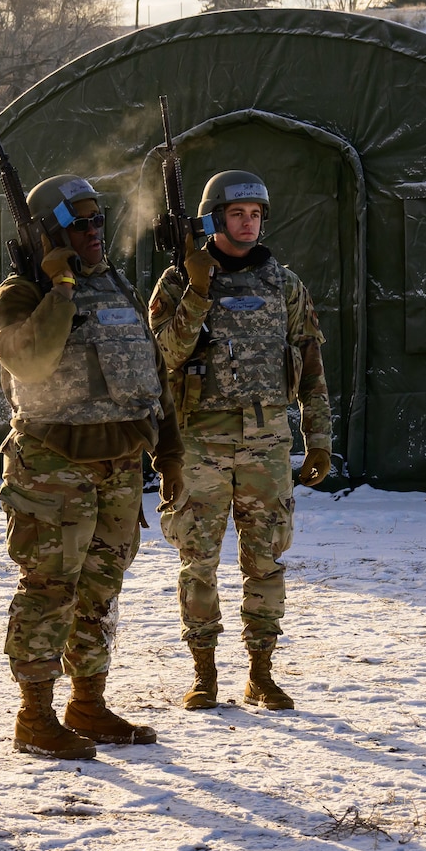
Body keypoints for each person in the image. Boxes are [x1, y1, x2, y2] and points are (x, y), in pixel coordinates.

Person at [0, 174, 184, 760]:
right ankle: (35, 715)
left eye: (99, 221)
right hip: (54, 466)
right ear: (49, 234)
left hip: (119, 466)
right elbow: (33, 358)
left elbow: (152, 374)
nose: (95, 232)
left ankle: (88, 703)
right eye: (80, 224)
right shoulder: (21, 295)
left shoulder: (118, 287)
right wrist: (61, 287)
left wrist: (167, 452)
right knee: (50, 590)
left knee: (101, 590)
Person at [148, 170, 332, 711]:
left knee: (266, 561)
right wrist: (199, 290)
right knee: (198, 561)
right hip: (199, 444)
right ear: (212, 220)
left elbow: (312, 365)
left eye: (255, 214)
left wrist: (318, 437)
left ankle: (261, 671)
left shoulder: (285, 284)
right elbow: (161, 359)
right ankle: (203, 672)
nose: (248, 223)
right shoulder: (177, 283)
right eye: (237, 214)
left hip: (267, 444)